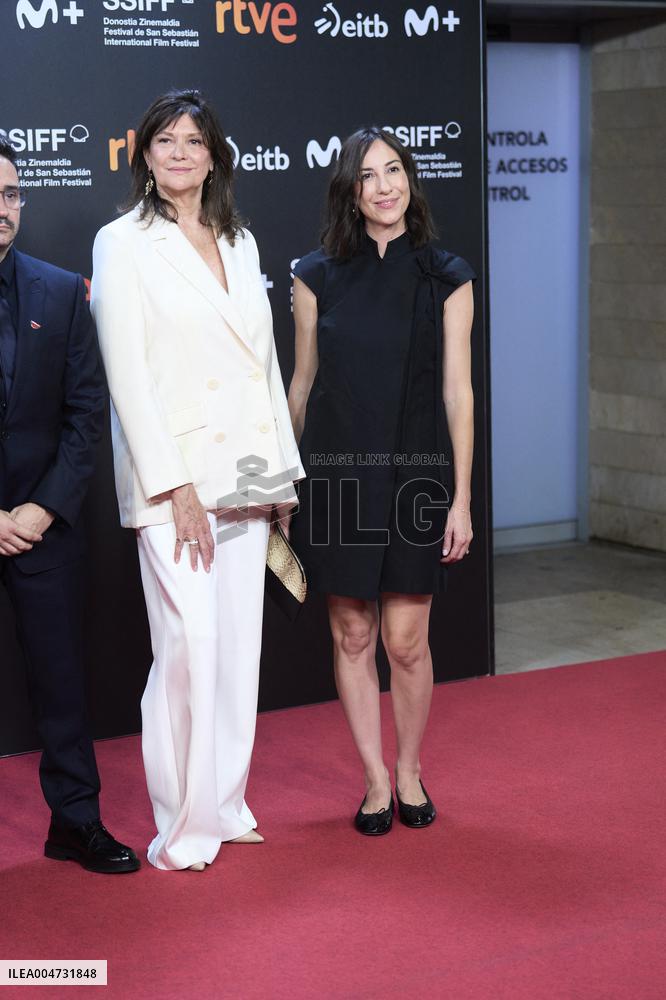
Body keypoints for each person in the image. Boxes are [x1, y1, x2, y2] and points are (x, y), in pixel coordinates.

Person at [91, 90, 303, 871]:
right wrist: (171, 485)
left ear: (215, 156)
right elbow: (128, 375)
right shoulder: (121, 243)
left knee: (237, 649)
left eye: (195, 140)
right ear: (144, 155)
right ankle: (183, 826)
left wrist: (278, 473)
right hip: (175, 482)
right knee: (190, 646)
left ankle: (225, 803)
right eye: (165, 141)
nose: (181, 152)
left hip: (245, 471)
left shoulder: (240, 241)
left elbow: (263, 364)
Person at [288, 127, 475, 835]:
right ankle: (373, 780)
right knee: (353, 635)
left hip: (415, 476)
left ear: (409, 179)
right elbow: (301, 387)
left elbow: (459, 393)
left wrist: (461, 496)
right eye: (368, 176)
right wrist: (281, 484)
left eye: (393, 170)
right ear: (350, 191)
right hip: (337, 478)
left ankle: (409, 771)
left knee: (405, 641)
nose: (385, 186)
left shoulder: (446, 274)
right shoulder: (316, 274)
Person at [0, 139, 139, 873]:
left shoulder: (59, 291)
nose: (2, 208)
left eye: (12, 193)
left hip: (43, 527)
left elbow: (88, 415)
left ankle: (75, 821)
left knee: (61, 682)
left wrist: (39, 511)